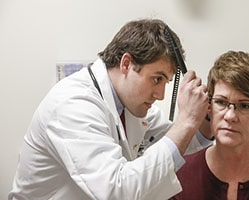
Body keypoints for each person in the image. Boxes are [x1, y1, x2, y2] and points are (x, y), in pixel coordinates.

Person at [9, 19, 213, 200]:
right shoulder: (73, 104)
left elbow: (176, 142)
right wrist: (186, 120)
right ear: (126, 64)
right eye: (156, 79)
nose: (160, 94)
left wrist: (205, 121)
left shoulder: (131, 106)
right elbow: (116, 191)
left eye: (166, 83)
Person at [171, 50, 249, 200]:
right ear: (209, 106)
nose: (230, 116)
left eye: (245, 106)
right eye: (221, 102)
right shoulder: (178, 177)